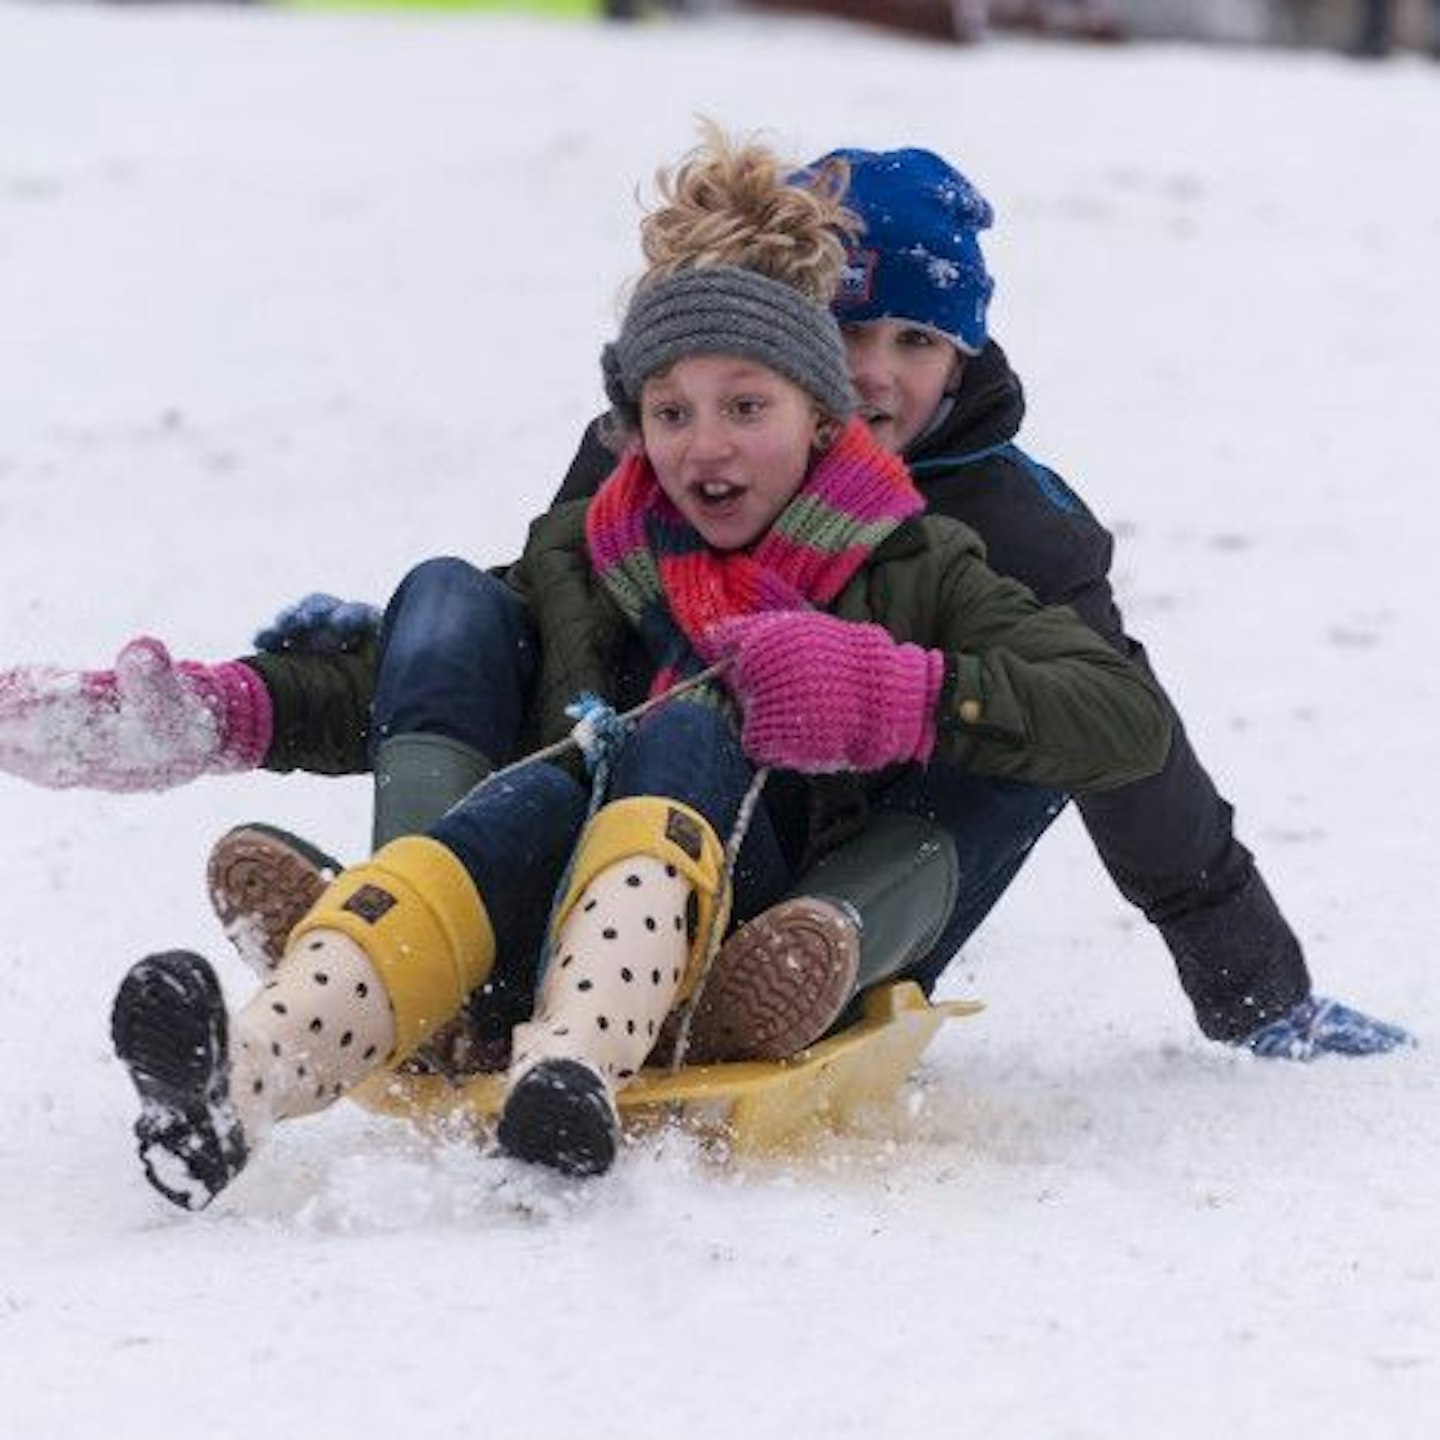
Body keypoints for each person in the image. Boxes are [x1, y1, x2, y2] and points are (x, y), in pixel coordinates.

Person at [0, 128, 1171, 1204]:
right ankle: (237, 1085)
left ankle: (575, 1068)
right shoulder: (597, 546)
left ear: (823, 420)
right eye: (672, 411)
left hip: (747, 911)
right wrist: (223, 708)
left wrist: (893, 692)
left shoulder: (916, 561)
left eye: (745, 407)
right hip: (547, 884)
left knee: (681, 734)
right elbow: (423, 681)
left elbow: (1122, 719)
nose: (704, 445)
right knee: (502, 781)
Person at [217, 141, 1415, 1067]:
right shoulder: (671, 445)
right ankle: (423, 937)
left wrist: (1256, 989)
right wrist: (381, 655)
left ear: (967, 356)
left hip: (833, 883)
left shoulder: (1012, 525)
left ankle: (800, 964)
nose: (880, 373)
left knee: (1027, 728)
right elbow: (544, 622)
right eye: (849, 329)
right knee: (475, 609)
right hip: (615, 839)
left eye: (920, 340)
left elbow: (1131, 745)